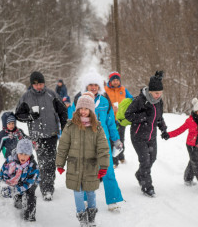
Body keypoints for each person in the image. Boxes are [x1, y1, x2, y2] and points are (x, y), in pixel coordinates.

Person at [73, 68, 124, 211]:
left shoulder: (105, 100)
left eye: (96, 85)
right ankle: (84, 199)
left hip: (103, 142)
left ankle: (113, 200)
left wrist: (116, 140)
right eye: (91, 85)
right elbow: (71, 121)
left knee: (108, 171)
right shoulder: (79, 99)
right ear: (86, 86)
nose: (94, 87)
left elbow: (111, 123)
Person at [56, 94, 110, 226]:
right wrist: (60, 163)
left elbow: (103, 148)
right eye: (81, 108)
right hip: (74, 166)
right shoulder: (71, 126)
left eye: (86, 108)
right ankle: (82, 218)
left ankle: (91, 217)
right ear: (78, 109)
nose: (83, 111)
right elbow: (63, 146)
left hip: (90, 166)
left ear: (91, 110)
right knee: (78, 193)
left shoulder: (97, 127)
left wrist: (103, 166)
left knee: (91, 192)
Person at [15, 71, 68, 201]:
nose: (39, 87)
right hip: (36, 135)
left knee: (50, 162)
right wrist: (29, 117)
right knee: (42, 161)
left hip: (51, 134)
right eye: (36, 84)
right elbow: (18, 114)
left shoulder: (52, 94)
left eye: (41, 84)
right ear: (32, 84)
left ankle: (48, 188)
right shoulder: (26, 97)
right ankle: (45, 185)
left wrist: (65, 128)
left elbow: (63, 112)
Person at [125, 70, 168, 197]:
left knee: (152, 158)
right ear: (150, 91)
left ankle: (140, 174)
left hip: (151, 136)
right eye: (156, 93)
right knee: (145, 161)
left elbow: (159, 117)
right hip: (138, 136)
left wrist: (164, 129)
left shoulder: (159, 101)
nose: (158, 95)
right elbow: (128, 115)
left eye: (160, 93)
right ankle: (147, 186)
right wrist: (143, 116)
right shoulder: (139, 100)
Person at [0, 138, 40, 222]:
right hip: (16, 181)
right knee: (18, 204)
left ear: (30, 154)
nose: (23, 156)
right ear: (17, 152)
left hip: (30, 183)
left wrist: (17, 189)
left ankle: (30, 216)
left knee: (29, 195)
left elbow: (30, 182)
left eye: (26, 154)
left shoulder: (33, 166)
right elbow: (3, 174)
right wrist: (6, 186)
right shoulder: (10, 161)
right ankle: (19, 198)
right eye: (21, 153)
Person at [104, 71, 134, 168]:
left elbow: (131, 100)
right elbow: (101, 103)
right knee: (112, 139)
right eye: (114, 80)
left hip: (121, 119)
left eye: (117, 80)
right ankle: (114, 161)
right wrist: (110, 107)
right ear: (110, 81)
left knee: (121, 139)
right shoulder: (105, 90)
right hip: (110, 119)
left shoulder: (123, 90)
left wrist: (125, 109)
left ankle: (121, 156)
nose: (116, 82)